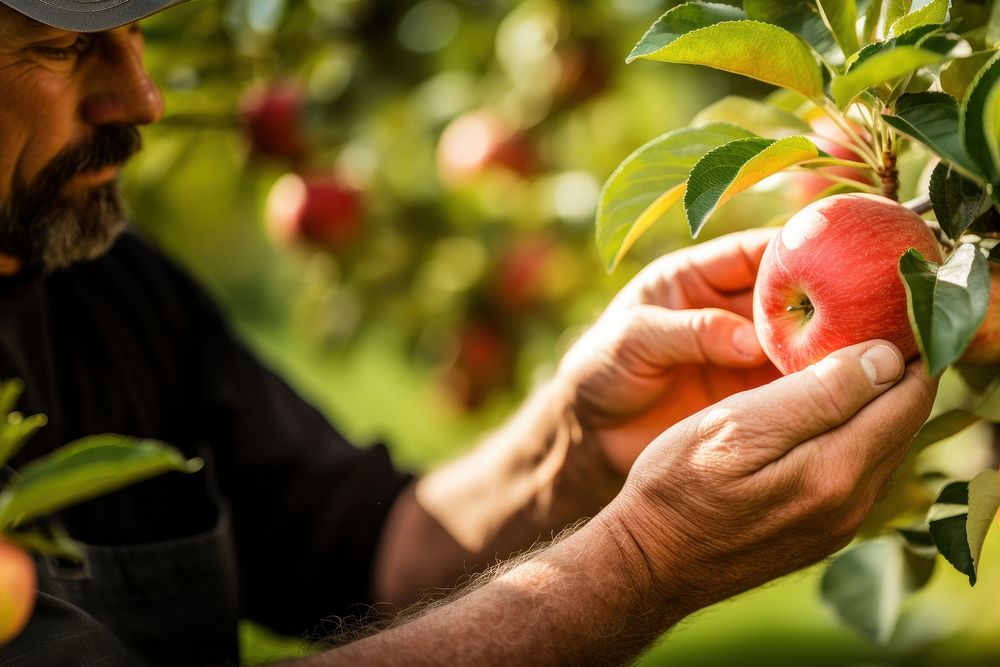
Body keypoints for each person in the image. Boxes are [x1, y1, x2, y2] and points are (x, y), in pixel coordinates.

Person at [0, 0, 937, 664]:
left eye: (131, 36)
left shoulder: (106, 284)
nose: (143, 99)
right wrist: (645, 560)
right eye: (55, 48)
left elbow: (365, 555)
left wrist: (576, 438)